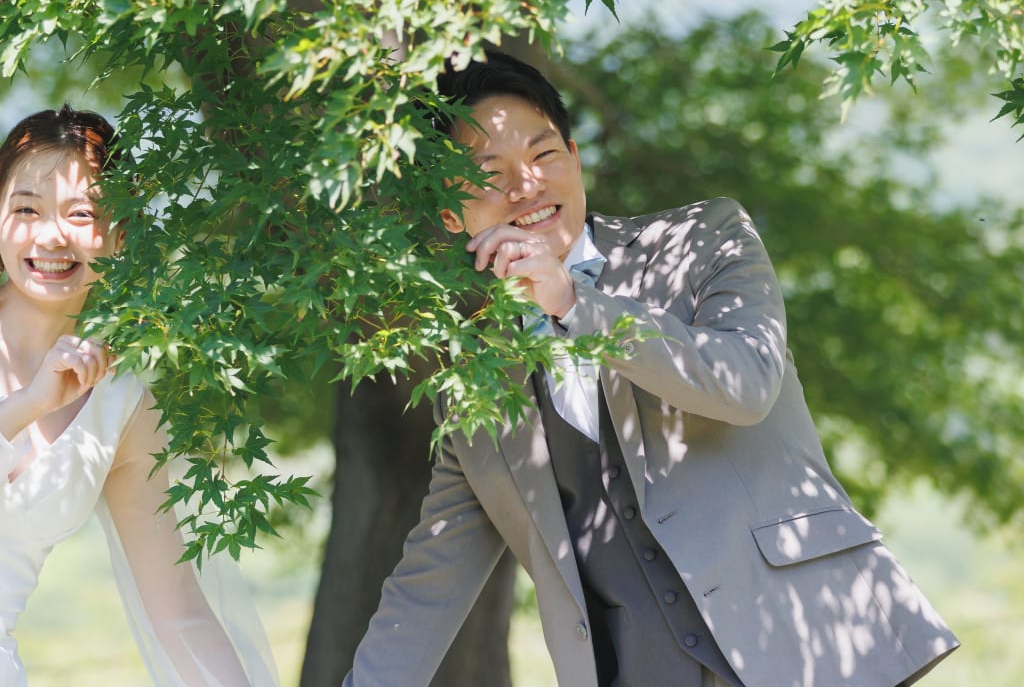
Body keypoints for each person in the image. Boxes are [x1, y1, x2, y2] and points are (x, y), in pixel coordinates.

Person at [344, 51, 959, 687]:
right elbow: (429, 584)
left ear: (577, 158)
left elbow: (744, 384)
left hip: (817, 646)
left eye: (544, 154)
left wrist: (575, 304)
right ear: (450, 213)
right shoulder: (473, 379)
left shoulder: (706, 238)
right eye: (489, 172)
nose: (526, 186)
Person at [0, 105, 278, 687]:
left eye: (82, 214)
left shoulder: (119, 401)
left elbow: (180, 615)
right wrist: (30, 406)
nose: (52, 234)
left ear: (119, 235)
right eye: (26, 207)